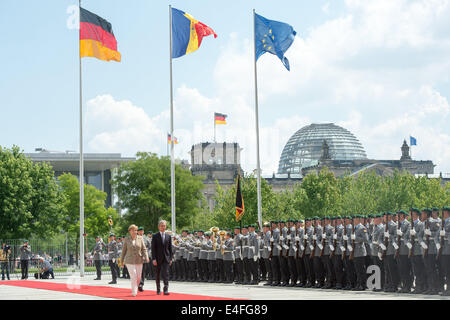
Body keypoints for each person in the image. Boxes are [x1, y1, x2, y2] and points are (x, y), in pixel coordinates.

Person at [120, 224, 149, 297]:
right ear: (129, 231)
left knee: (139, 277)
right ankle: (134, 291)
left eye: (135, 230)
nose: (134, 231)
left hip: (139, 260)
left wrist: (146, 257)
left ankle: (136, 287)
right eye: (133, 230)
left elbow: (144, 249)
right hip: (129, 260)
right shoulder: (127, 239)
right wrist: (121, 261)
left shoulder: (140, 238)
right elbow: (124, 251)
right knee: (133, 276)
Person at [151, 220, 173, 295]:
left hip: (166, 258)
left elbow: (170, 248)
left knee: (166, 274)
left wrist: (170, 258)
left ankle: (166, 289)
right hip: (157, 258)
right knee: (157, 274)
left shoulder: (168, 236)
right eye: (161, 226)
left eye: (164, 226)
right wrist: (153, 259)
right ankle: (158, 289)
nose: (163, 227)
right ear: (159, 227)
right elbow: (153, 248)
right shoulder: (155, 236)